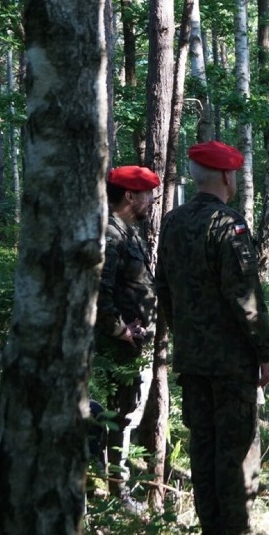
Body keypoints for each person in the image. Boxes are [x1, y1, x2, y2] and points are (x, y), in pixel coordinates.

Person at [155, 140, 269, 535]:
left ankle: (212, 527)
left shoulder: (172, 222)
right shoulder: (229, 224)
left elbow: (164, 291)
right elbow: (245, 298)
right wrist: (264, 352)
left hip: (191, 359)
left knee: (202, 447)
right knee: (236, 450)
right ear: (227, 176)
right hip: (229, 363)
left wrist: (183, 335)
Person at [95, 165, 160, 499]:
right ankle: (116, 490)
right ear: (131, 195)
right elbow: (98, 290)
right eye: (147, 193)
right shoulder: (110, 232)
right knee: (119, 415)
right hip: (118, 347)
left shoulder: (127, 230)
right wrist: (119, 329)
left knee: (126, 413)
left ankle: (117, 482)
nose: (151, 200)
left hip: (133, 345)